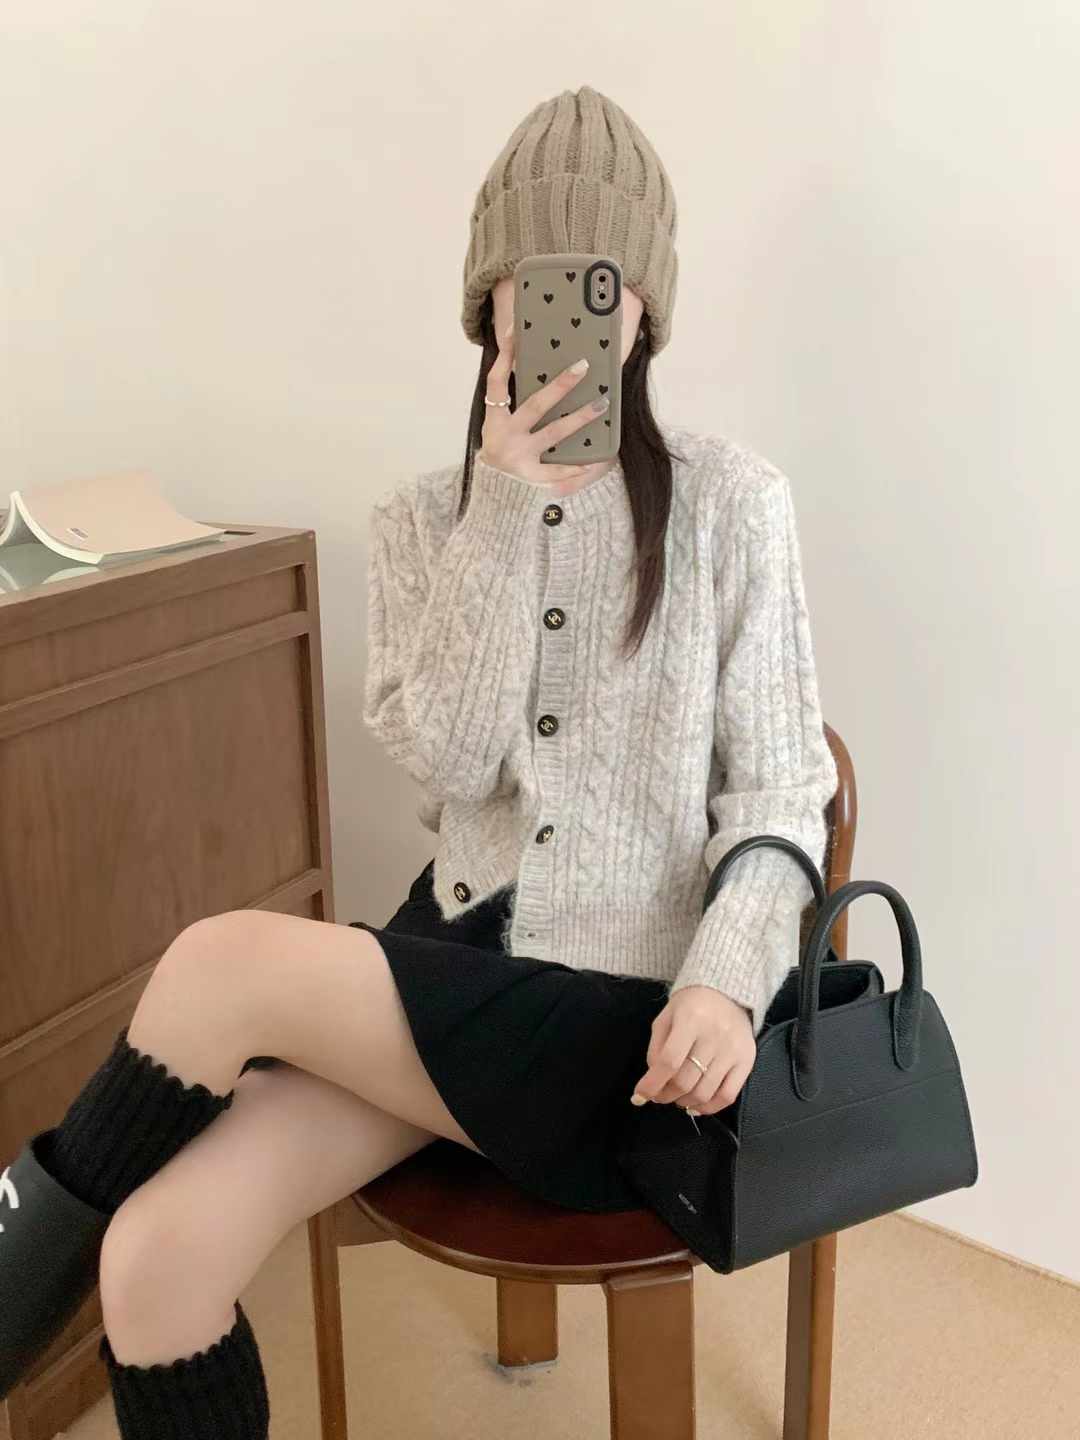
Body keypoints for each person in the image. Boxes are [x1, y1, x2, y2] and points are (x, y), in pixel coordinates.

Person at [0, 84, 838, 1437]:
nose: (564, 316)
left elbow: (786, 793)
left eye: (600, 283)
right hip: (455, 971)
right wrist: (503, 514)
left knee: (219, 963)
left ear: (644, 311)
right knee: (154, 1260)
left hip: (627, 1023)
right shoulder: (424, 521)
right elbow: (447, 758)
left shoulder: (734, 506)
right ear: (488, 309)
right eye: (530, 283)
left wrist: (729, 986)